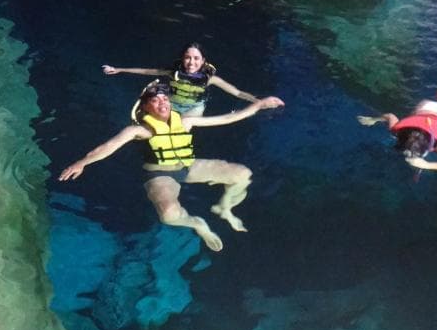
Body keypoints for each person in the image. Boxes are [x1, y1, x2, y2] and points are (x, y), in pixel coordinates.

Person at [59, 84, 285, 251]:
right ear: (146, 108)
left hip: (188, 167)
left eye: (164, 99)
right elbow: (107, 147)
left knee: (243, 174)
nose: (163, 103)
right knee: (168, 215)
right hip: (160, 174)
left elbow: (226, 119)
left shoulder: (185, 121)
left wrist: (259, 105)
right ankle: (196, 223)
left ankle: (225, 208)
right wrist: (83, 162)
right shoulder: (139, 130)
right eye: (155, 101)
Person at [357, 71, 437, 171]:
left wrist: (427, 165)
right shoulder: (397, 130)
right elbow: (390, 116)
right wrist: (374, 119)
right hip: (427, 107)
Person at [102, 43, 258, 116]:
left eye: (196, 58)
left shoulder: (210, 80)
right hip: (172, 104)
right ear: (182, 59)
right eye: (187, 58)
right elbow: (147, 71)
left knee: (182, 128)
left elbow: (237, 93)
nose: (191, 62)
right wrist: (119, 69)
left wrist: (257, 101)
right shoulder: (173, 73)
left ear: (203, 61)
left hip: (194, 108)